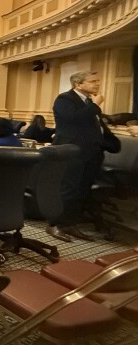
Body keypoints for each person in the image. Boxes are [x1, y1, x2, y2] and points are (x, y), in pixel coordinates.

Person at [48, 71, 120, 241]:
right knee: (67, 190)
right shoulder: (65, 99)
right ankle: (54, 224)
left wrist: (109, 142)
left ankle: (70, 224)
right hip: (72, 153)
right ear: (78, 84)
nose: (97, 84)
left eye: (98, 80)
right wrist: (95, 105)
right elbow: (73, 119)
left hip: (91, 155)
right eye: (93, 81)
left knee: (81, 191)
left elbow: (94, 126)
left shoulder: (88, 102)